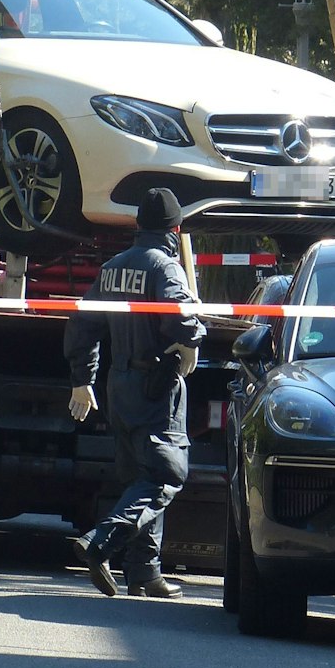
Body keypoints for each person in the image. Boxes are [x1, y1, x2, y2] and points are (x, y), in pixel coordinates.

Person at [64, 187, 204, 599]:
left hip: (119, 385)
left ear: (138, 224)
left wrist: (81, 378)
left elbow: (82, 323)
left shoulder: (113, 267)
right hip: (155, 386)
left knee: (140, 479)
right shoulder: (166, 268)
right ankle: (99, 543)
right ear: (175, 229)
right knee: (164, 475)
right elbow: (180, 321)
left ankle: (145, 573)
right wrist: (196, 333)